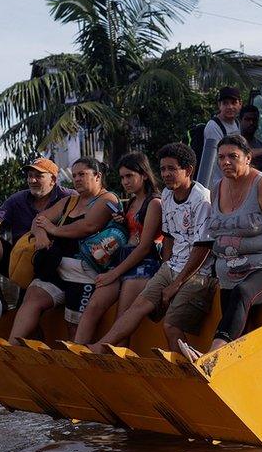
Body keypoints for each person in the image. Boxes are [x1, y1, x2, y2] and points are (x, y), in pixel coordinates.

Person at [174, 135, 262, 360]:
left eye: (233, 156)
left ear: (248, 158)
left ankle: (211, 357)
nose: (225, 162)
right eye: (221, 157)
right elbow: (214, 235)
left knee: (242, 294)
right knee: (240, 328)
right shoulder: (216, 189)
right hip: (227, 272)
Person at [88, 143, 215, 354]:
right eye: (163, 169)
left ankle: (184, 372)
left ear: (189, 170)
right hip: (172, 266)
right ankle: (100, 348)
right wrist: (165, 269)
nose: (165, 174)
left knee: (170, 325)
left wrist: (176, 283)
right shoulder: (166, 194)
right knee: (137, 308)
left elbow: (202, 248)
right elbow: (168, 238)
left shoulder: (201, 200)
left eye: (172, 169)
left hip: (198, 272)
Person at [7, 157, 118, 344]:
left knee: (74, 328)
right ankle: (11, 349)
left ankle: (76, 365)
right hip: (58, 268)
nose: (77, 179)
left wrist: (53, 229)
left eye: (82, 174)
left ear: (97, 176)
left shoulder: (108, 199)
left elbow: (89, 226)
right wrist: (41, 235)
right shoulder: (69, 201)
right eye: (74, 175)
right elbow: (39, 220)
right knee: (31, 298)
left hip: (87, 274)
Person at [73, 153, 163, 346]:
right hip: (122, 261)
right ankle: (76, 352)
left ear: (144, 175)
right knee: (94, 306)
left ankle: (116, 366)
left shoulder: (154, 203)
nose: (125, 182)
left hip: (143, 264)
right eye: (122, 177)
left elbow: (145, 247)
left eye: (129, 176)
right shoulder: (131, 202)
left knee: (121, 321)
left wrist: (113, 273)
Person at [0, 158, 75, 300]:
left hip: (56, 262)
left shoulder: (69, 196)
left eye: (39, 176)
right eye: (30, 175)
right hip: (21, 260)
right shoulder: (17, 199)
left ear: (53, 179)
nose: (32, 180)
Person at [197, 86, 242, 184]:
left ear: (240, 104)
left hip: (231, 180)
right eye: (225, 103)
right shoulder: (213, 127)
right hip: (216, 183)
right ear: (219, 105)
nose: (230, 107)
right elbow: (218, 159)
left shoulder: (236, 123)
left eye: (233, 103)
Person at [239, 105, 262, 172]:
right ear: (240, 120)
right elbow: (240, 155)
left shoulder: (261, 145)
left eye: (254, 120)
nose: (251, 123)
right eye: (247, 119)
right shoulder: (233, 143)